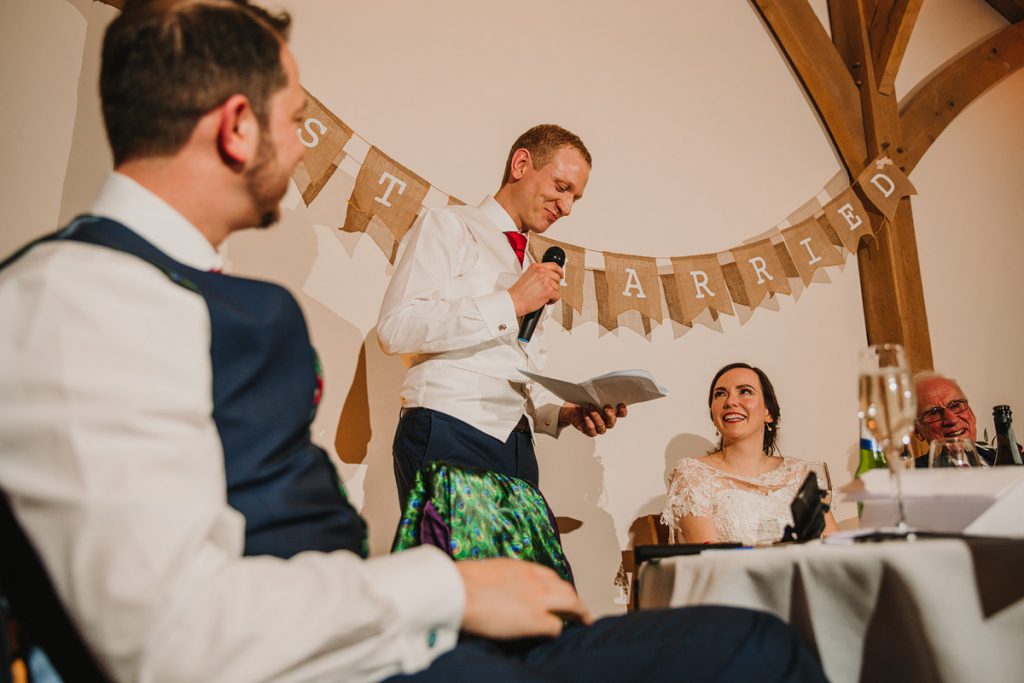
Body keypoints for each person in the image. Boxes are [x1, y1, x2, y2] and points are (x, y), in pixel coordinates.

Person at [0, 2, 828, 682]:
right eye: (297, 119)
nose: (301, 146)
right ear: (237, 126)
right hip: (364, 637)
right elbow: (161, 630)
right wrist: (443, 587)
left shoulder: (203, 298)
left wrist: (556, 414)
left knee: (741, 640)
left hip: (374, 622)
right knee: (752, 653)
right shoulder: (79, 302)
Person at [377, 124, 627, 508]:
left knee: (522, 569)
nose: (567, 207)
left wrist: (565, 413)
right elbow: (396, 327)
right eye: (561, 187)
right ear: (521, 163)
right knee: (455, 567)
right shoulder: (449, 224)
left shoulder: (531, 265)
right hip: (448, 427)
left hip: (516, 444)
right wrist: (509, 302)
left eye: (575, 197)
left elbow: (519, 363)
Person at [662, 363, 839, 545]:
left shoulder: (798, 473)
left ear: (768, 412)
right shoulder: (692, 474)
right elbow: (710, 558)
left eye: (745, 391)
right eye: (720, 394)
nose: (730, 402)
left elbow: (833, 545)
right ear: (713, 415)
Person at [912, 371, 1020, 467]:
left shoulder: (995, 457)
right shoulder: (914, 477)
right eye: (934, 413)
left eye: (955, 405)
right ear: (918, 432)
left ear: (971, 413)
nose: (952, 420)